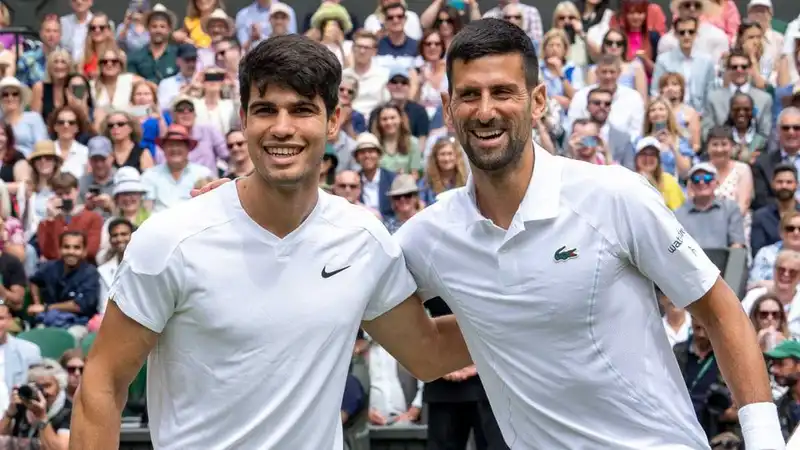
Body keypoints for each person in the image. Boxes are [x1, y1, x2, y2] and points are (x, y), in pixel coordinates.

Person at [194, 19, 784, 449]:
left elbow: (719, 309)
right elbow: (420, 347)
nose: (486, 110)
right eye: (469, 96)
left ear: (539, 100)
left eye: (503, 92)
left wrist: (765, 443)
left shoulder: (617, 195)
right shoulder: (426, 238)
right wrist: (231, 208)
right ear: (448, 108)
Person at [70, 35, 471, 449]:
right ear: (243, 119)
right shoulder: (171, 239)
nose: (283, 128)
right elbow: (102, 384)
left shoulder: (363, 240)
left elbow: (429, 353)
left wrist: (535, 310)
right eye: (265, 110)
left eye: (302, 110)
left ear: (333, 121)